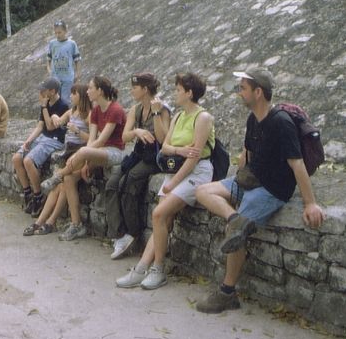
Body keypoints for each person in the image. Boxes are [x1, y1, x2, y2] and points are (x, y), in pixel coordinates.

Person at [193, 69, 325, 313]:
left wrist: (310, 203)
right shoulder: (253, 119)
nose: (239, 92)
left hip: (272, 190)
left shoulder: (281, 123)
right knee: (202, 191)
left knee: (234, 233)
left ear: (258, 92)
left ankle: (227, 293)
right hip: (251, 180)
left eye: (243, 88)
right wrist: (240, 173)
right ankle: (236, 219)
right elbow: (248, 152)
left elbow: (297, 164)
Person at [116, 72, 214, 290]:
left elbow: (194, 157)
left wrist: (172, 183)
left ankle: (158, 269)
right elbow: (165, 147)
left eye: (179, 90)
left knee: (159, 214)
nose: (175, 93)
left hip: (196, 172)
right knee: (163, 219)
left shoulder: (203, 118)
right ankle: (142, 268)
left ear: (189, 93)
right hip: (178, 170)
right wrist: (180, 150)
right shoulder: (178, 116)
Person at [41, 76, 126, 242]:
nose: (87, 91)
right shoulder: (96, 111)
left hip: (114, 152)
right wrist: (85, 160)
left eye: (91, 88)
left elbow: (102, 141)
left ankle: (57, 176)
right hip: (96, 152)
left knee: (78, 157)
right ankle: (76, 224)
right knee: (69, 179)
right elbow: (92, 140)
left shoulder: (115, 109)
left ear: (100, 91)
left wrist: (81, 154)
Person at [108, 73, 171, 260]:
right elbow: (125, 136)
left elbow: (163, 139)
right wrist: (137, 131)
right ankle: (118, 234)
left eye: (135, 88)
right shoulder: (136, 109)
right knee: (112, 183)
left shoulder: (162, 109)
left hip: (155, 157)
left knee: (130, 181)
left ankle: (132, 232)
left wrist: (156, 114)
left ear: (145, 89)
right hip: (139, 153)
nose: (131, 91)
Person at [23, 82, 91, 236]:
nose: (71, 96)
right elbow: (57, 122)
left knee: (62, 184)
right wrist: (54, 116)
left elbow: (93, 139)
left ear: (82, 96)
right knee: (58, 186)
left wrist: (77, 131)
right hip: (69, 151)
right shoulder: (71, 111)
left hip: (80, 153)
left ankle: (49, 221)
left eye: (74, 93)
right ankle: (41, 222)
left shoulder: (89, 115)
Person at [12, 77, 68, 217]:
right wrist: (28, 141)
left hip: (55, 140)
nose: (41, 93)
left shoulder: (63, 106)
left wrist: (44, 107)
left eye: (44, 90)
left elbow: (50, 126)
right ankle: (27, 193)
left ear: (52, 91)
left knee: (28, 161)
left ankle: (38, 196)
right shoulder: (46, 103)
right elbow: (40, 126)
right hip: (43, 138)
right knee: (17, 158)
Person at [47, 19, 81, 101]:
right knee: (55, 100)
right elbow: (48, 59)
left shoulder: (72, 44)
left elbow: (77, 60)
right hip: (55, 78)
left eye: (59, 32)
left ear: (65, 31)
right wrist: (49, 70)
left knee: (66, 100)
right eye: (56, 33)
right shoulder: (52, 43)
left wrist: (78, 73)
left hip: (68, 78)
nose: (57, 35)